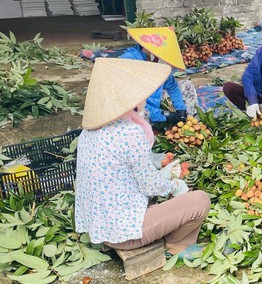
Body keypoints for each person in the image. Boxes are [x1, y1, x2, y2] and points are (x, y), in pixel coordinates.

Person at [75, 58, 211, 260]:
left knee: (163, 190)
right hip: (124, 233)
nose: (145, 100)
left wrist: (162, 176)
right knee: (200, 200)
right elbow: (149, 186)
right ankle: (176, 245)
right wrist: (175, 186)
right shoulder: (130, 132)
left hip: (100, 226)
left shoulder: (88, 131)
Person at [121, 27, 197, 128]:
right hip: (134, 105)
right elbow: (130, 100)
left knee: (186, 85)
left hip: (155, 99)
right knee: (140, 112)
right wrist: (164, 115)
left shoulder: (158, 63)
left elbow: (172, 86)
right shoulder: (130, 61)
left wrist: (180, 109)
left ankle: (187, 121)